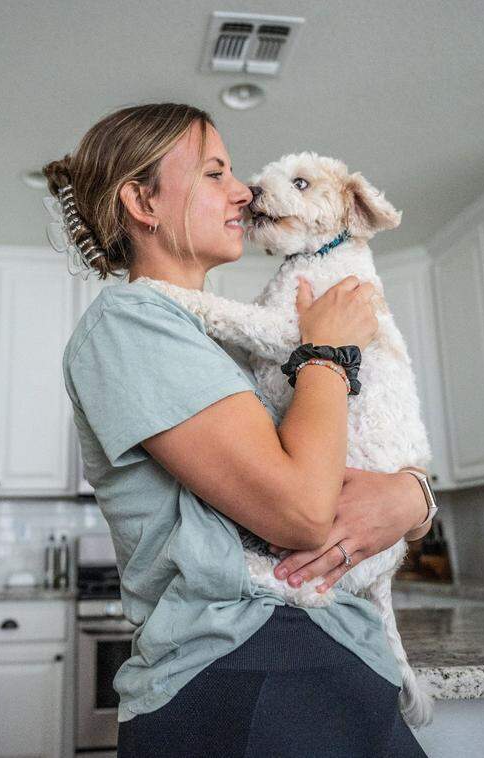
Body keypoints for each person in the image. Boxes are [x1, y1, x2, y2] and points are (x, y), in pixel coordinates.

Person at [46, 102, 431, 757]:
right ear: (143, 201)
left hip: (313, 648)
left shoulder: (215, 341)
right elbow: (304, 512)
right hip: (245, 666)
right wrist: (330, 351)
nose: (244, 190)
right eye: (215, 173)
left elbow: (341, 463)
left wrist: (413, 497)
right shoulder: (131, 323)